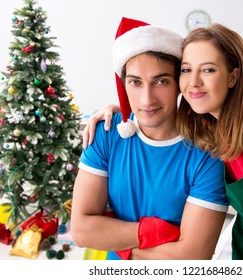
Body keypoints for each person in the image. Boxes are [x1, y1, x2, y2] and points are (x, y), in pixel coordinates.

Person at [84, 23, 243, 260]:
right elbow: (154, 108)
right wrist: (121, 108)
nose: (194, 82)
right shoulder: (206, 118)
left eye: (208, 69)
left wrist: (125, 248)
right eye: (187, 70)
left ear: (233, 76)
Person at [71, 17, 229, 260]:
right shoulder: (106, 133)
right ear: (124, 85)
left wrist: (118, 242)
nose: (147, 99)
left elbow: (192, 257)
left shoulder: (207, 155)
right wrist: (153, 232)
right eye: (135, 82)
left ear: (179, 83)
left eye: (161, 82)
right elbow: (81, 231)